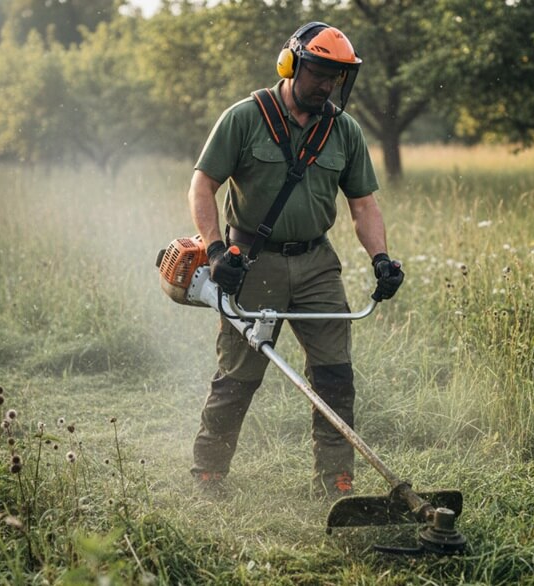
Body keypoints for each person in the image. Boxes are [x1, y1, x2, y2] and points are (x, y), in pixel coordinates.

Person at [187, 21, 404, 499]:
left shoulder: (344, 131)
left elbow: (363, 204)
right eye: (319, 73)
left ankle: (336, 480)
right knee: (239, 374)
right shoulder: (245, 118)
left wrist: (382, 259)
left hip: (316, 265)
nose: (327, 85)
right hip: (251, 262)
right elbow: (203, 184)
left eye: (337, 77)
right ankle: (209, 472)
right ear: (292, 65)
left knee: (334, 375)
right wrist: (215, 249)